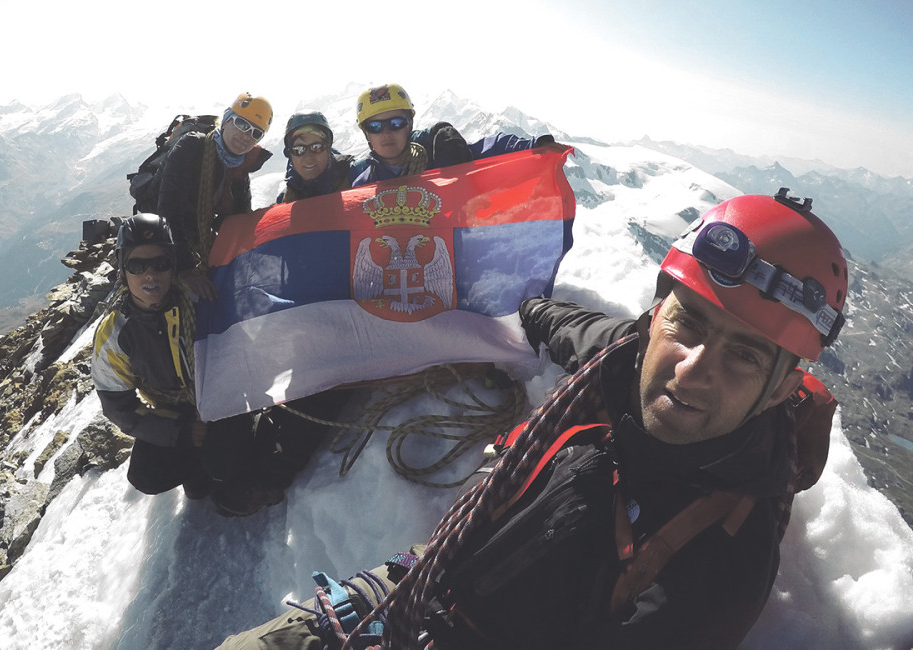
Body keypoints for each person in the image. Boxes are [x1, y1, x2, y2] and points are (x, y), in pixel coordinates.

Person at [215, 188, 849, 649]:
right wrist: (527, 308)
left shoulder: (717, 573)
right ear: (657, 318)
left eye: (743, 355)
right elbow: (581, 331)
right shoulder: (624, 361)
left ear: (779, 389)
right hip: (432, 573)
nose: (691, 370)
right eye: (688, 323)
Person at [91, 214, 324, 516]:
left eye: (160, 263)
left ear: (172, 265)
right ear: (124, 270)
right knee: (146, 476)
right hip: (174, 412)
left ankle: (241, 445)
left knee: (223, 465)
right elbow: (118, 406)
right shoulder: (116, 333)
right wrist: (178, 433)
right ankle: (200, 468)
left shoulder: (200, 298)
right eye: (137, 266)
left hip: (221, 398)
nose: (150, 275)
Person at [156, 92, 274, 300]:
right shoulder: (191, 148)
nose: (246, 136)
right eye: (241, 124)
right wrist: (185, 269)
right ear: (226, 119)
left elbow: (237, 221)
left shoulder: (239, 172)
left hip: (193, 240)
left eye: (256, 133)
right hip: (159, 233)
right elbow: (168, 210)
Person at [349, 83, 556, 187]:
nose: (386, 133)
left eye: (396, 123)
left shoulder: (437, 153)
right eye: (375, 127)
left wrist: (534, 145)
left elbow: (490, 148)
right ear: (366, 133)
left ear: (410, 125)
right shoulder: (362, 184)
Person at [277, 110, 354, 203]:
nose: (309, 158)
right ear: (290, 154)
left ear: (328, 148)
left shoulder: (355, 178)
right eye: (299, 150)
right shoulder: (285, 200)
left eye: (316, 147)